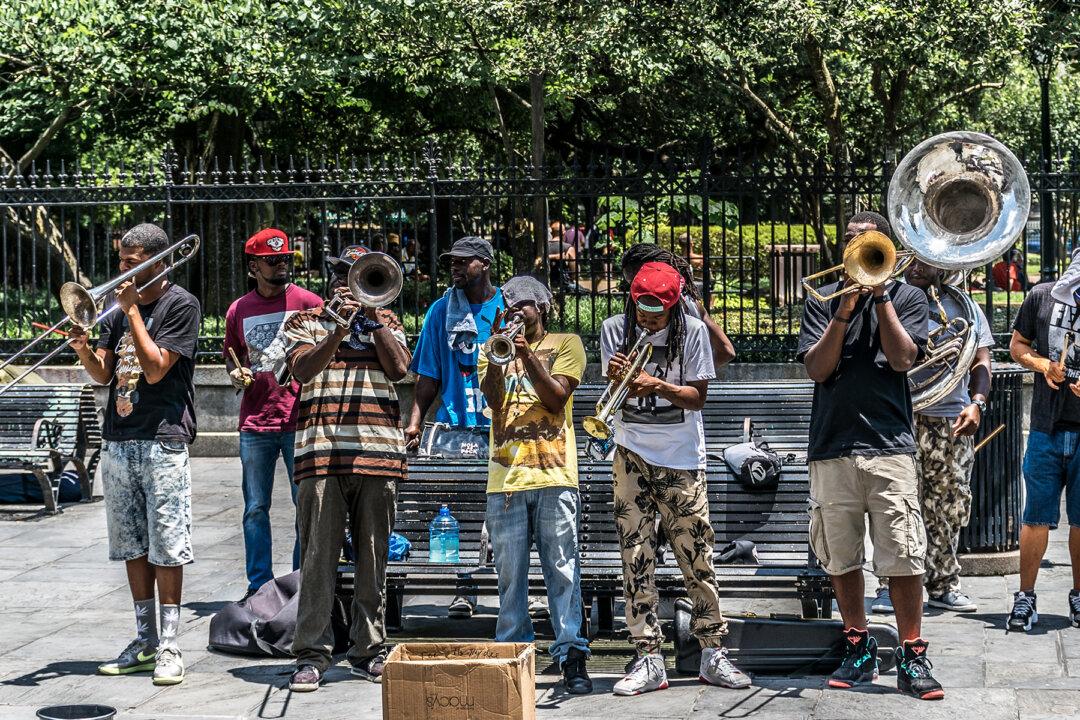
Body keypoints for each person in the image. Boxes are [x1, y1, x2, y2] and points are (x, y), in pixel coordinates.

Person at [798, 212, 944, 700]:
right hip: (832, 445)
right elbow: (819, 369)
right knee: (841, 555)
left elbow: (903, 358)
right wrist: (844, 309)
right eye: (850, 242)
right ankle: (859, 646)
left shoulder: (908, 296)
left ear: (884, 245)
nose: (856, 248)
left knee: (903, 554)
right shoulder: (823, 302)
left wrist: (880, 295)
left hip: (889, 446)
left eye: (867, 242)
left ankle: (911, 654)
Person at [600, 261, 751, 695]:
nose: (647, 319)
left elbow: (697, 398)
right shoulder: (616, 327)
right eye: (641, 309)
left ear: (674, 305)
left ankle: (712, 652)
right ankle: (647, 656)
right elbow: (614, 391)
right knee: (635, 553)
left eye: (656, 313)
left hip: (682, 457)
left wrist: (658, 385)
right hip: (630, 451)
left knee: (696, 555)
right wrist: (620, 379)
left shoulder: (694, 332)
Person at [68, 223, 201, 686]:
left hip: (164, 438)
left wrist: (132, 314)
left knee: (167, 544)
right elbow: (105, 375)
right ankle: (144, 640)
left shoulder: (180, 305)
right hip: (119, 439)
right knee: (131, 544)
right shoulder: (113, 311)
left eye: (132, 262)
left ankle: (169, 645)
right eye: (121, 261)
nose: (123, 271)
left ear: (158, 262)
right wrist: (85, 349)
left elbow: (156, 368)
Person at [284, 245, 411, 691]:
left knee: (372, 558)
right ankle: (312, 653)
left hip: (378, 453)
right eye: (341, 272)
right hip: (321, 453)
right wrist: (338, 327)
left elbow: (400, 370)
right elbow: (302, 370)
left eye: (358, 274)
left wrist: (372, 320)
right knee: (318, 558)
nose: (348, 281)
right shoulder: (303, 320)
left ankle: (369, 649)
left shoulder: (388, 320)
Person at [478, 276, 592, 694]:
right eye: (508, 306)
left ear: (542, 307)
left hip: (555, 474)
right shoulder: (494, 346)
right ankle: (512, 655)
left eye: (522, 305)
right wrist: (495, 357)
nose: (514, 312)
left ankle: (572, 656)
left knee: (562, 569)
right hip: (504, 479)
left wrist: (527, 357)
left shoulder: (568, 343)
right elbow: (492, 401)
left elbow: (556, 398)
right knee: (510, 576)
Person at [872, 259, 993, 615]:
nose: (918, 266)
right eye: (912, 255)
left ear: (943, 263)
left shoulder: (965, 308)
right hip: (898, 416)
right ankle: (888, 585)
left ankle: (943, 584)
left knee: (948, 504)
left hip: (950, 419)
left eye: (928, 259)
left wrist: (977, 403)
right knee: (894, 504)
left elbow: (982, 362)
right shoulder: (887, 299)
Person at [405, 236, 506, 619]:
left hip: (500, 427)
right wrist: (415, 422)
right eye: (452, 263)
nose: (456, 269)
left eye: (465, 262)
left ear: (485, 264)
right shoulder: (439, 311)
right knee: (461, 513)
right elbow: (427, 375)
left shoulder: (508, 308)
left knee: (508, 512)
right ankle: (465, 587)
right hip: (454, 428)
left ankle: (520, 589)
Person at [223, 228, 323, 601]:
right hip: (255, 420)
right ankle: (259, 587)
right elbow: (232, 357)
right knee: (255, 507)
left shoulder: (308, 301)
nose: (281, 265)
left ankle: (302, 583)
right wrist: (235, 374)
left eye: (284, 259)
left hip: (299, 419)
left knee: (306, 506)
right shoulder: (239, 309)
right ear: (254, 267)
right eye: (272, 261)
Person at [1007, 248, 1080, 632]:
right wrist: (1043, 365)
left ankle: (1078, 597)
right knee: (1035, 516)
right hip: (1046, 428)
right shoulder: (1042, 296)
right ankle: (1025, 596)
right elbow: (1018, 346)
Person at [620, 243, 735, 368]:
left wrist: (692, 374)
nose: (636, 291)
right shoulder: (692, 303)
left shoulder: (687, 305)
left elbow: (727, 351)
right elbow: (726, 351)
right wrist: (694, 372)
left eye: (637, 283)